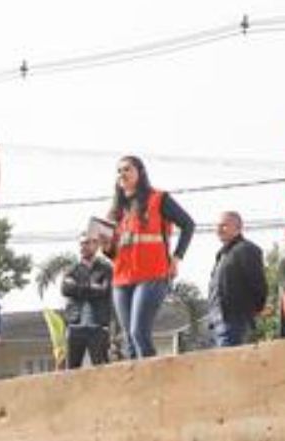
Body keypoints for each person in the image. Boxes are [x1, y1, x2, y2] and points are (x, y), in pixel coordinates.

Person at [105, 155, 193, 360]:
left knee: (138, 332)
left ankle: (156, 381)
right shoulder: (116, 211)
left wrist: (177, 258)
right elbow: (113, 253)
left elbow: (188, 225)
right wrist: (105, 246)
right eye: (119, 171)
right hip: (121, 279)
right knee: (128, 338)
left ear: (140, 173)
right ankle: (139, 389)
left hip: (152, 275)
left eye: (127, 169)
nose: (122, 174)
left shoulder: (158, 198)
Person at [208, 211, 267, 348]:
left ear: (238, 228)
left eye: (224, 226)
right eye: (218, 226)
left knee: (231, 365)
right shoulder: (222, 254)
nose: (219, 229)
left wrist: (253, 310)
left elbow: (259, 285)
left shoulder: (246, 249)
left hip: (235, 322)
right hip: (218, 323)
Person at [60, 235, 113, 369]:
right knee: (72, 371)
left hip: (97, 326)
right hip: (75, 325)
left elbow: (104, 291)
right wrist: (91, 286)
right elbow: (66, 289)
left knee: (102, 369)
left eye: (87, 243)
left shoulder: (106, 268)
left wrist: (77, 286)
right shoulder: (71, 269)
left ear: (96, 245)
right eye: (81, 244)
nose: (83, 247)